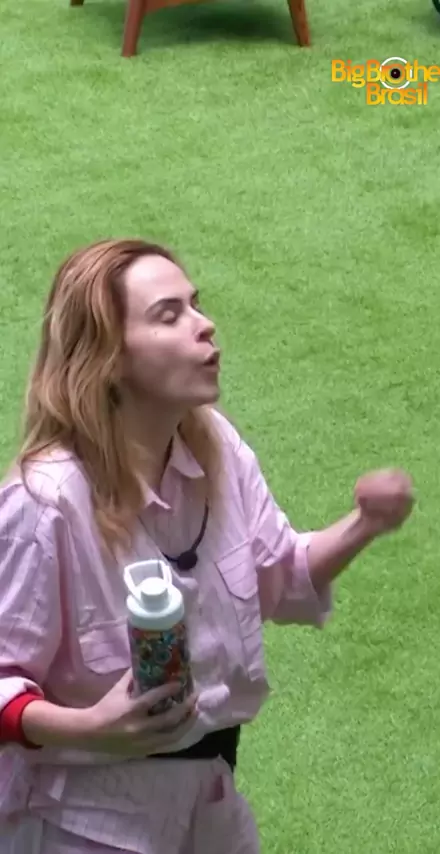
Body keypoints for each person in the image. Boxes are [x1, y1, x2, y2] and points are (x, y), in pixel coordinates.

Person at [0, 238, 414, 854]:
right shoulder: (45, 502)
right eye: (169, 315)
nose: (205, 324)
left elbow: (280, 573)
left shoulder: (215, 446)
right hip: (83, 821)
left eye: (195, 304)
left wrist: (364, 524)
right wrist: (88, 727)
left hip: (210, 807)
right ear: (109, 358)